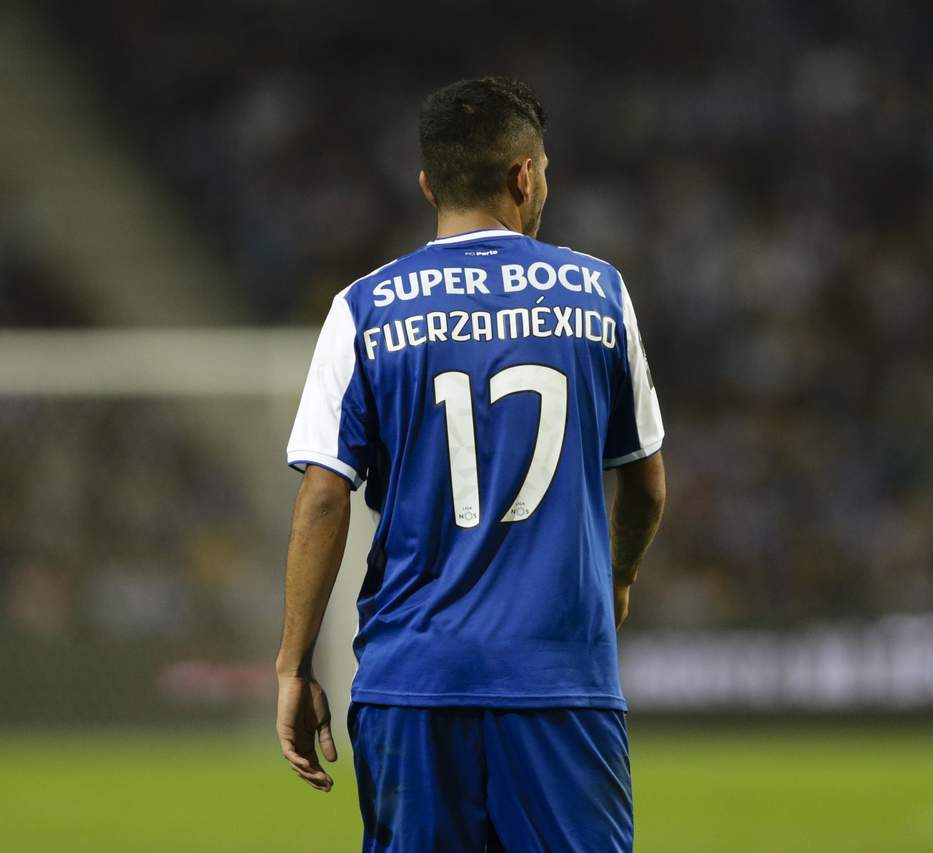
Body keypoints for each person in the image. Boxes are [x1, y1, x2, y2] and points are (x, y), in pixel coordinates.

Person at [274, 76, 665, 852]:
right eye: (544, 165)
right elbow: (646, 485)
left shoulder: (363, 308)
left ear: (428, 182)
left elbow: (324, 495)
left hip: (413, 683)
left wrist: (294, 663)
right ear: (524, 175)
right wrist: (616, 577)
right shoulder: (598, 293)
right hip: (558, 680)